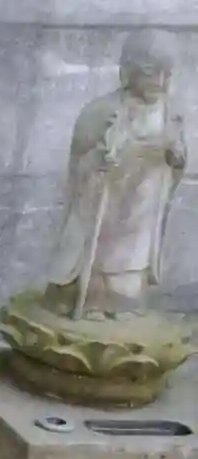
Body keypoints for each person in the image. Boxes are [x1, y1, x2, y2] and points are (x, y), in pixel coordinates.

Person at [42, 29, 186, 319]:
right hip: (106, 207)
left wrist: (176, 158)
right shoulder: (102, 111)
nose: (159, 82)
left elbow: (176, 159)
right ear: (129, 71)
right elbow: (79, 164)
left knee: (130, 265)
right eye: (150, 73)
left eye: (166, 74)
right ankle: (90, 302)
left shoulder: (169, 113)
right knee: (98, 258)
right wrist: (99, 161)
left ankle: (123, 305)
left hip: (142, 209)